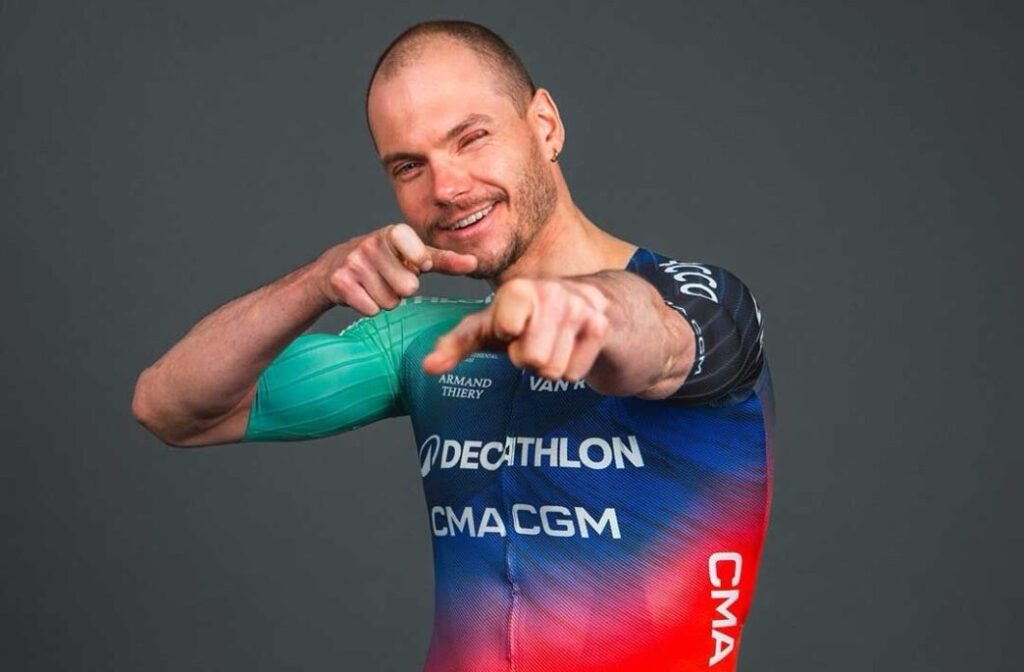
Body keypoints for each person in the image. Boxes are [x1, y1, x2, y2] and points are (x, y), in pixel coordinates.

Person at [132, 19, 774, 672]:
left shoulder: (704, 303)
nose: (445, 188)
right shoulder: (426, 341)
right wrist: (318, 281)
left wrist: (586, 308)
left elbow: (660, 340)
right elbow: (172, 409)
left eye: (471, 138)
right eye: (410, 166)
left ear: (545, 126)